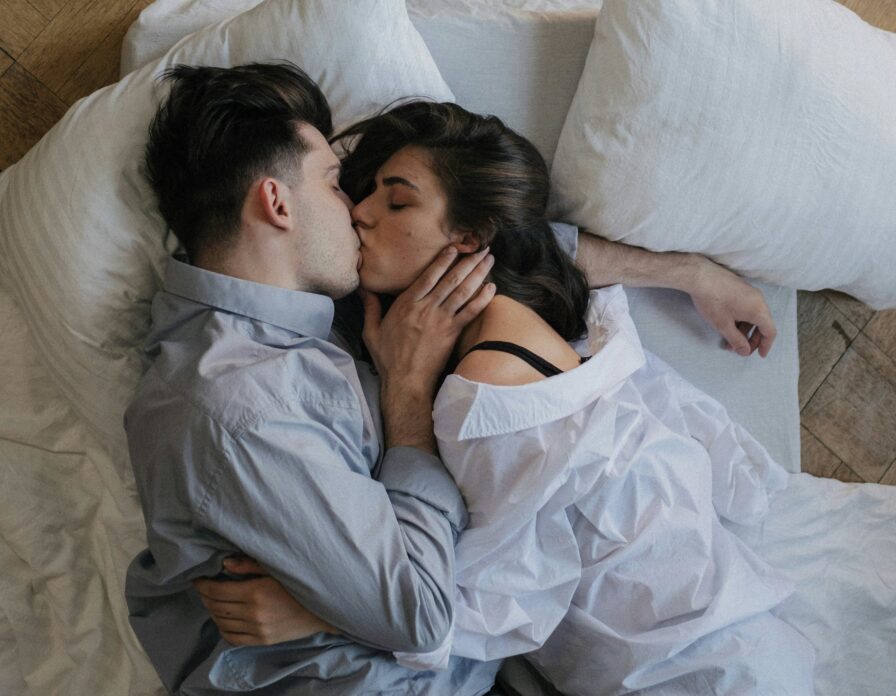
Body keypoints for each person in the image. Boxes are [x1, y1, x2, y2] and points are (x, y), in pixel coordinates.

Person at [128, 63, 780, 695]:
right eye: (334, 184)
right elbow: (419, 611)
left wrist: (690, 274)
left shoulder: (299, 313)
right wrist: (406, 400)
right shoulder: (242, 407)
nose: (354, 209)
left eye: (384, 197)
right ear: (276, 204)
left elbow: (506, 242)